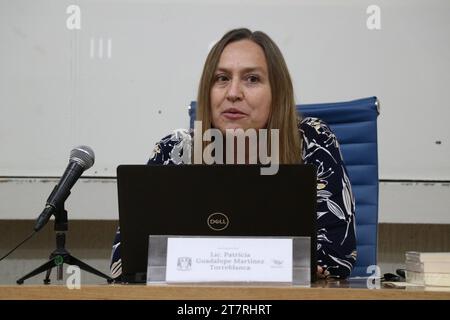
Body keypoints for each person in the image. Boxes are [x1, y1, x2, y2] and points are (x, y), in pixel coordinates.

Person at [110, 28, 357, 280]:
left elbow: (336, 257)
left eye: (252, 79)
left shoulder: (313, 141)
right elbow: (125, 262)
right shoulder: (173, 151)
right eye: (222, 78)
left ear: (277, 91)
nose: (233, 93)